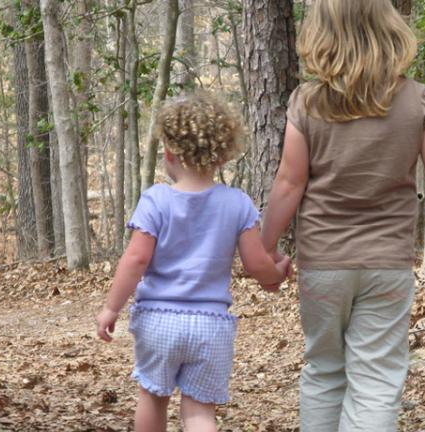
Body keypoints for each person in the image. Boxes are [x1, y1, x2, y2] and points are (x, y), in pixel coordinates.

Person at [259, 1, 425, 430]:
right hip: (387, 265)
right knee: (377, 379)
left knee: (324, 371)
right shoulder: (417, 99)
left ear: (321, 32)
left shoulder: (306, 102)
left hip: (323, 265)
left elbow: (289, 184)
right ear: (389, 27)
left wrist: (265, 251)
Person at [95, 94, 290, 432]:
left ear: (169, 153)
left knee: (153, 398)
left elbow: (136, 258)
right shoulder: (237, 203)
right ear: (222, 154)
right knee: (200, 411)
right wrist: (276, 274)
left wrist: (111, 307)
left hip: (159, 322)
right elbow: (257, 263)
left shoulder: (156, 200)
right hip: (210, 326)